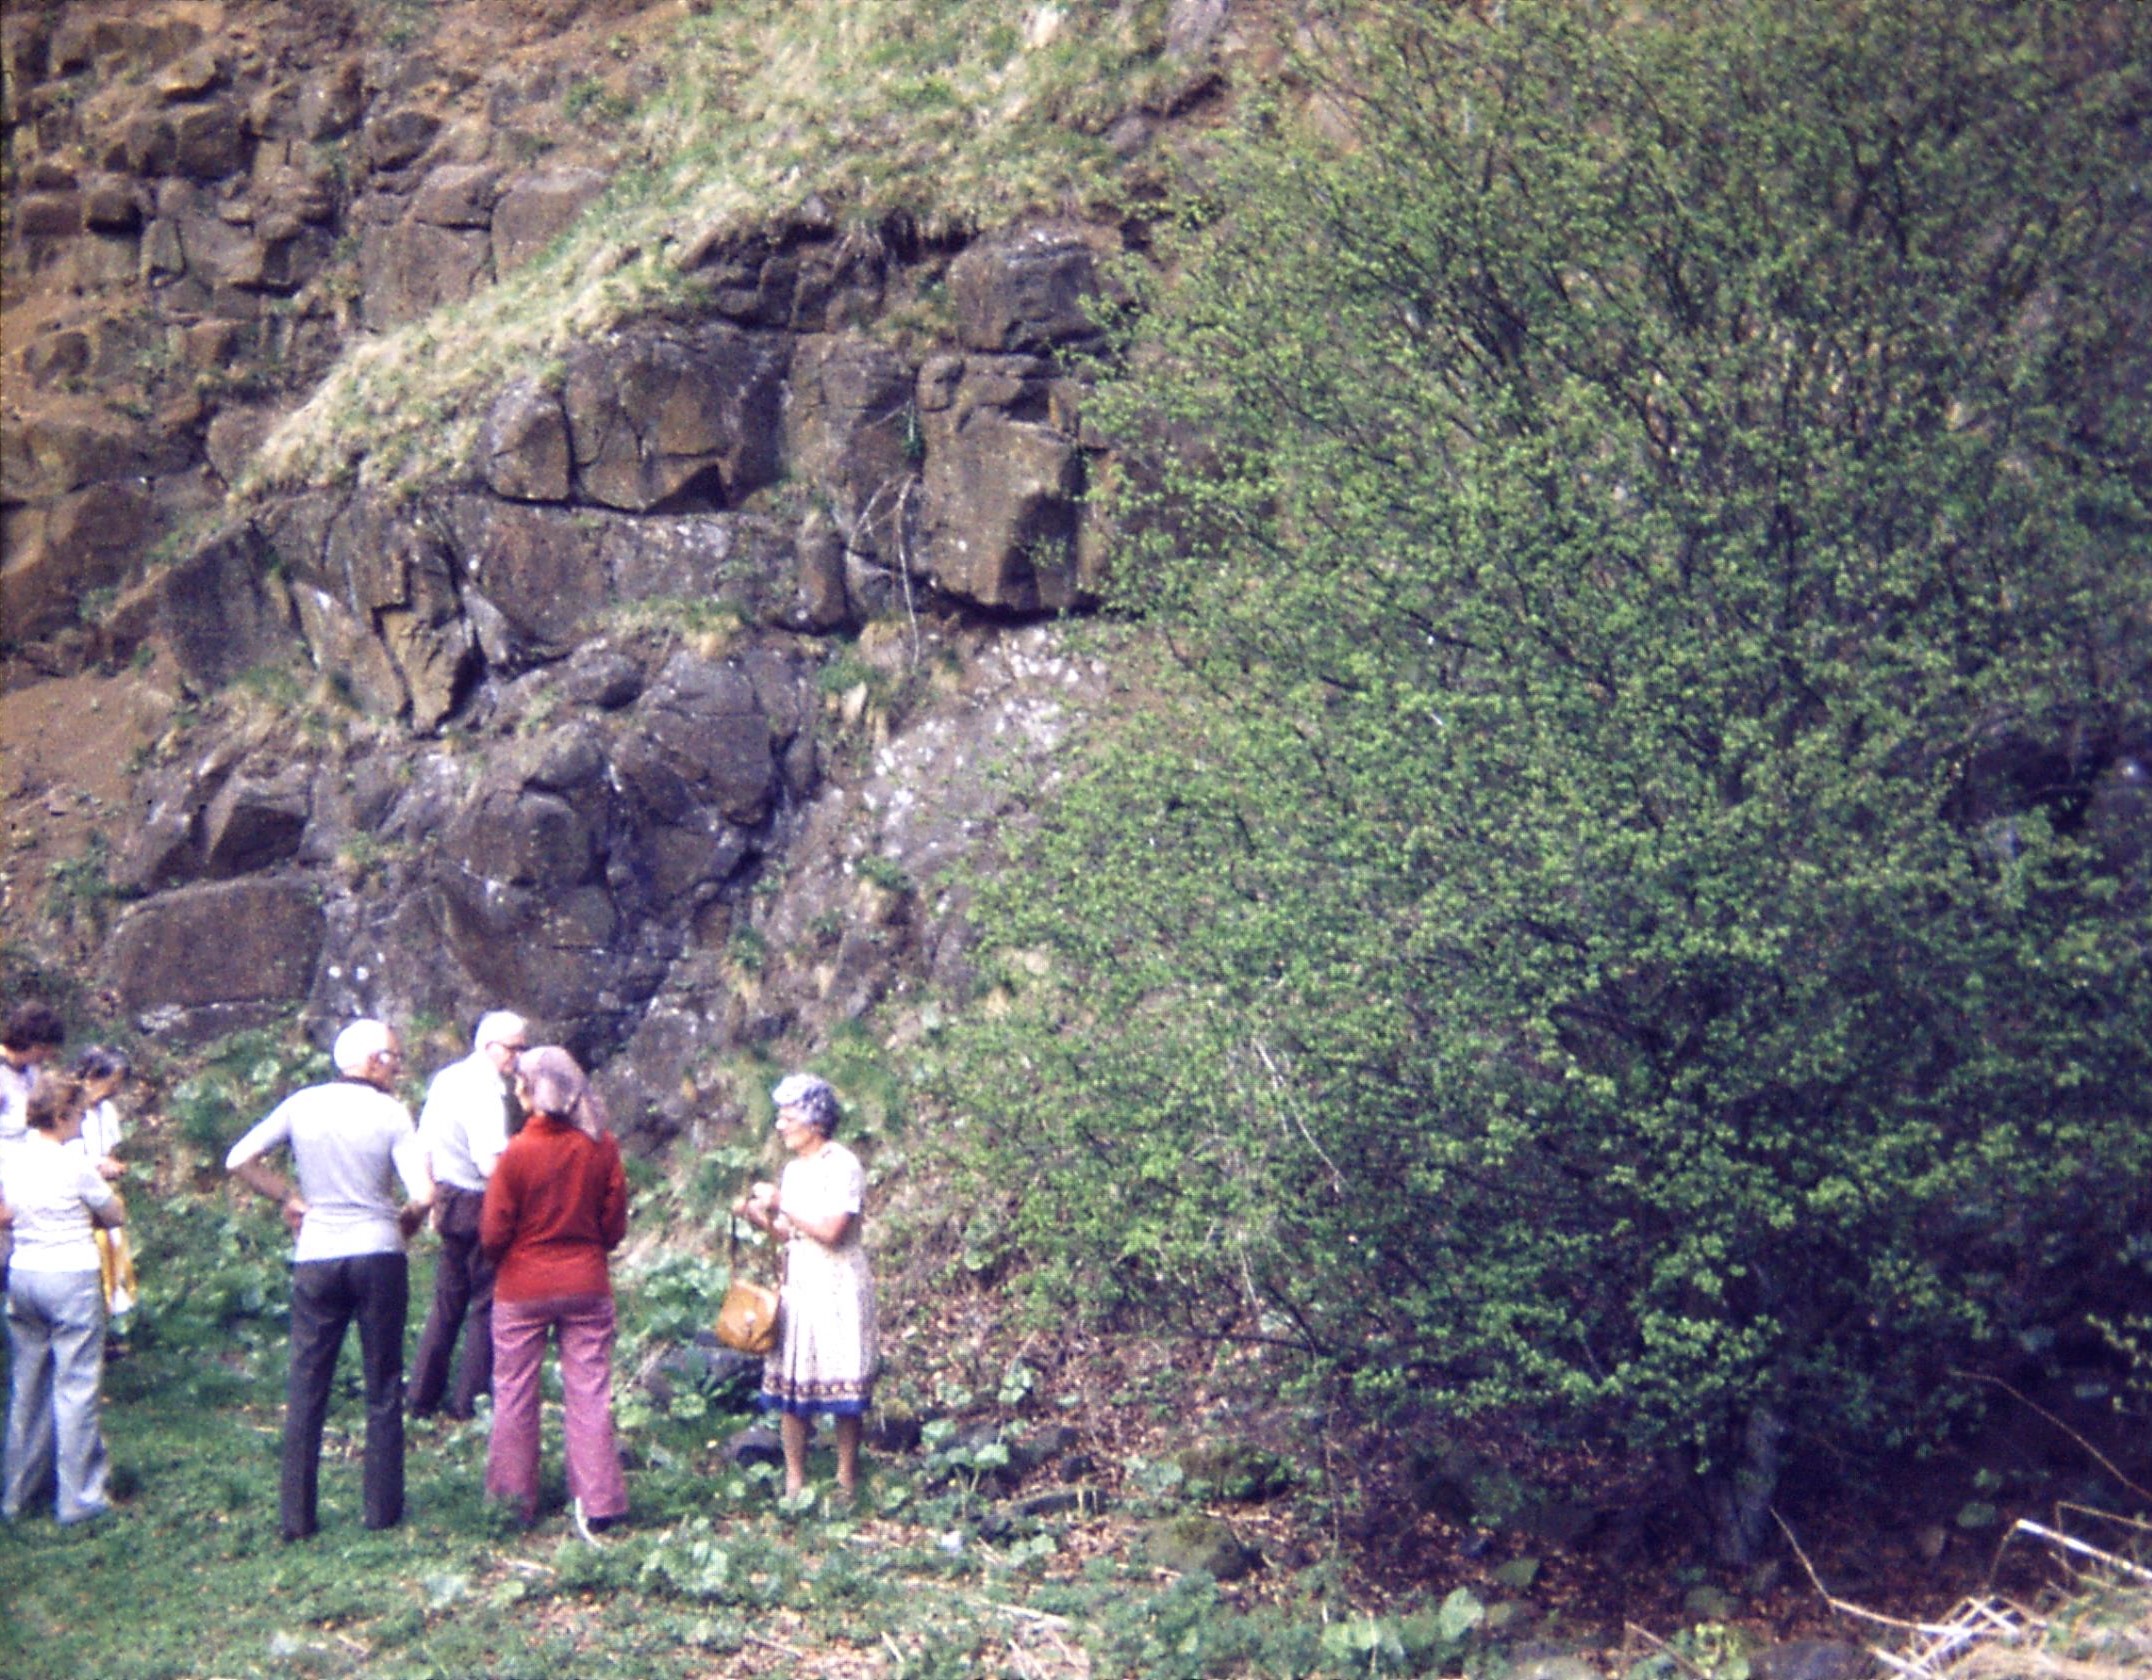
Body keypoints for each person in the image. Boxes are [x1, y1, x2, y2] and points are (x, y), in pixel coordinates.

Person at [225, 1019, 432, 1542]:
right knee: (382, 1382)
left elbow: (239, 1159)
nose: (399, 1067)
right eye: (394, 1057)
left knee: (307, 1383)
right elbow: (425, 1193)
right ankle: (381, 1511)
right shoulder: (391, 1114)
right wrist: (403, 1221)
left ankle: (297, 1517)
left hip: (317, 1253)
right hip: (378, 1254)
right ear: (370, 1061)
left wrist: (288, 1197)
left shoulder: (303, 1103)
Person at [479, 1046, 629, 1538]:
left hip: (522, 1287)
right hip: (586, 1282)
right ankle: (599, 1502)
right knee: (589, 1392)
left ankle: (511, 1502)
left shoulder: (517, 1153)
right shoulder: (601, 1146)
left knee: (515, 1391)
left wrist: (510, 1256)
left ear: (530, 1091)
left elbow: (493, 1233)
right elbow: (613, 1228)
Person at [734, 1072, 878, 1502]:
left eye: (787, 1117)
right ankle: (794, 1482)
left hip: (838, 1285)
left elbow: (833, 1230)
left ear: (815, 1122)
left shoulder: (843, 1165)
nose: (779, 1125)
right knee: (793, 1385)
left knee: (842, 1380)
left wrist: (782, 1204)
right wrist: (756, 1216)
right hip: (799, 1284)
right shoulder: (794, 1170)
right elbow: (791, 1233)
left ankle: (845, 1481)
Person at [2, 1075, 125, 1526]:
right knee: (76, 1385)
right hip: (69, 1274)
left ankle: (17, 1492)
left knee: (27, 1385)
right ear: (60, 1117)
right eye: (77, 1115)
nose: (80, 1122)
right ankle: (79, 1497)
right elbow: (114, 1212)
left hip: (24, 1273)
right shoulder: (74, 1166)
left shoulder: (11, 1159)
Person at [409, 1010, 528, 1421]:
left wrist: (428, 1198)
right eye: (514, 1048)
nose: (519, 1057)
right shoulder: (486, 1092)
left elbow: (422, 1142)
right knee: (484, 1303)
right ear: (489, 1046)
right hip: (479, 1202)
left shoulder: (446, 1078)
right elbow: (490, 1163)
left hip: (447, 1195)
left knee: (446, 1302)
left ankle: (421, 1396)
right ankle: (469, 1402)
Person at [67, 1048, 138, 1343]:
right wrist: (97, 1165)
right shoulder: (65, 1106)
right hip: (73, 1199)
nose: (116, 1089)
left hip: (103, 1195)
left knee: (112, 1261)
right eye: (113, 1081)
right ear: (94, 1076)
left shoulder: (106, 1111)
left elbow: (109, 1150)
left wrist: (111, 1166)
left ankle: (108, 1329)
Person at [1, 1003, 67, 1300]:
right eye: (46, 1048)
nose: (49, 1056)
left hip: (28, 1183)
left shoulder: (32, 1072)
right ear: (33, 1043)